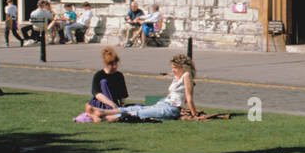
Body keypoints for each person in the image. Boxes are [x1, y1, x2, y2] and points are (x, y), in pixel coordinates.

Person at [86, 53, 225, 122]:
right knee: (137, 109)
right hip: (165, 103)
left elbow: (189, 97)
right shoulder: (179, 76)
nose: (173, 71)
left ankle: (101, 114)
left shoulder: (187, 76)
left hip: (171, 109)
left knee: (138, 114)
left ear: (183, 67)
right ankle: (101, 115)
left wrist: (194, 115)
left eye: (175, 68)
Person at [85, 47, 129, 116]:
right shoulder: (99, 75)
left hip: (115, 104)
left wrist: (121, 106)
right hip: (101, 103)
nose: (114, 67)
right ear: (106, 64)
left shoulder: (119, 75)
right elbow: (97, 94)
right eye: (112, 64)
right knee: (104, 82)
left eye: (116, 64)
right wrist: (111, 104)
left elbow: (123, 95)